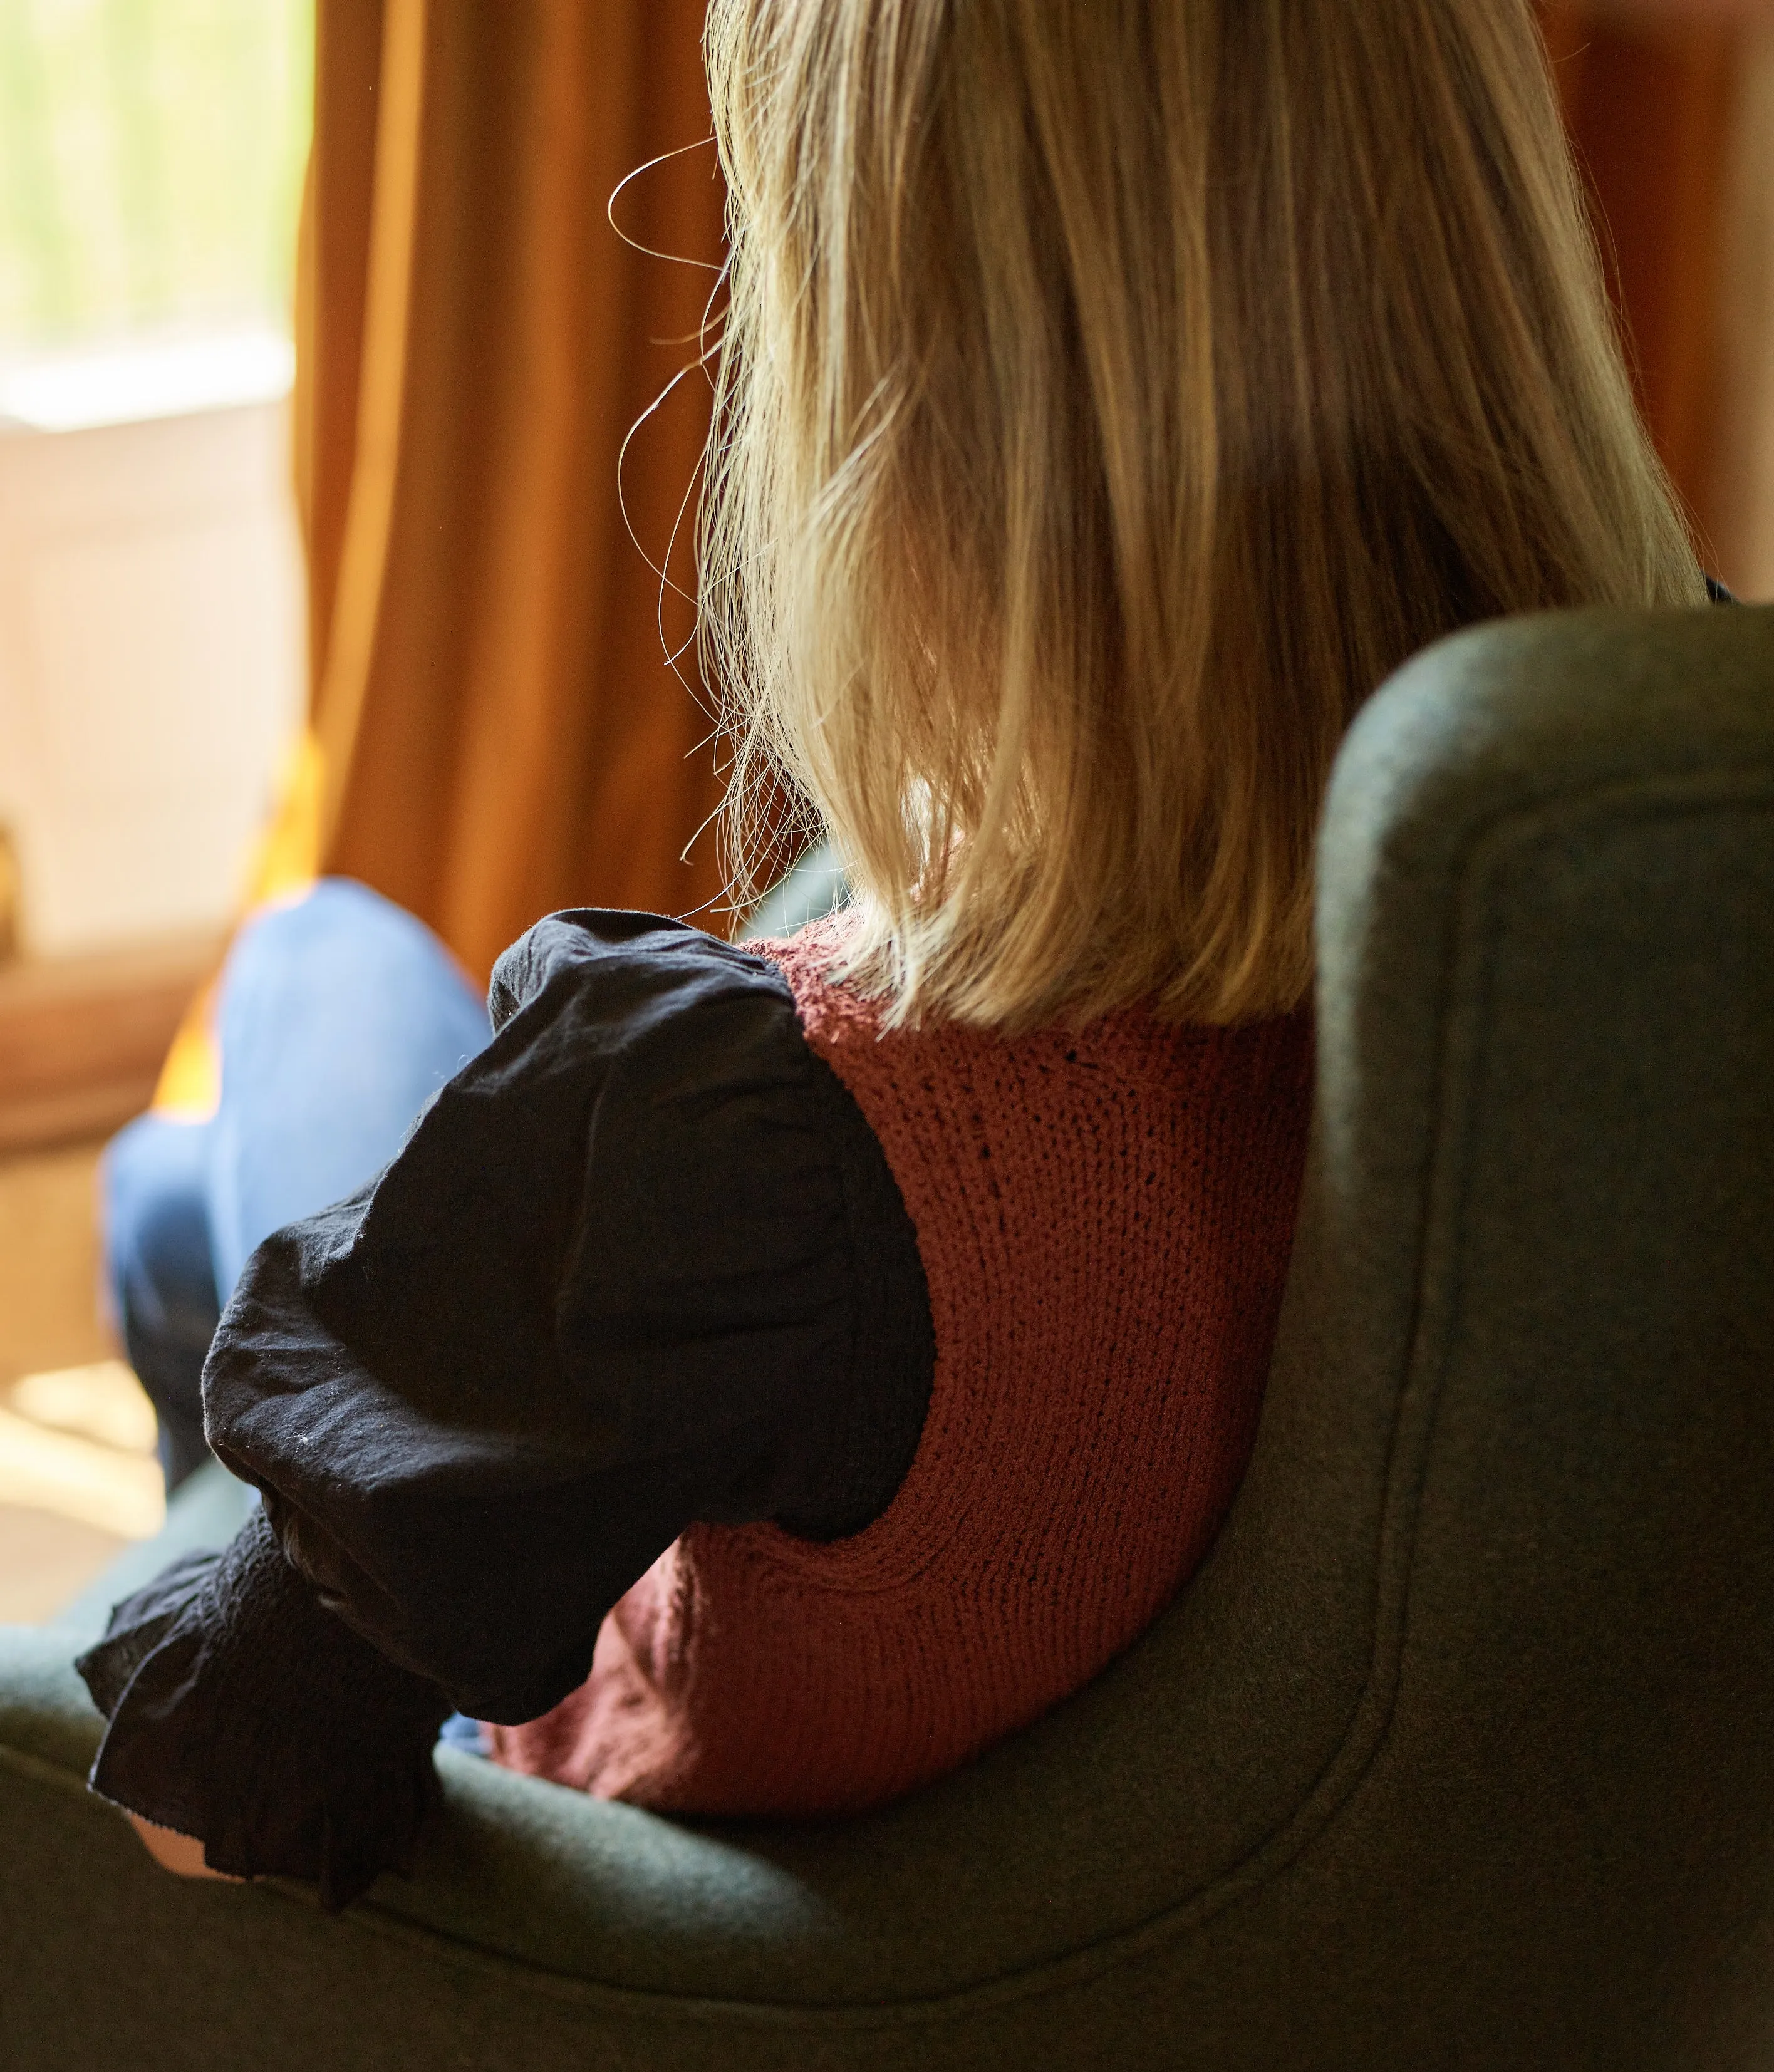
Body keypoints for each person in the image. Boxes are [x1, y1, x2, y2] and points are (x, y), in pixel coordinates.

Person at [80, 0, 1708, 1909]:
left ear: (892, 391)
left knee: (299, 984)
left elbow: (195, 1819)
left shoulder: (740, 1147)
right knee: (198, 1184)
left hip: (602, 1858)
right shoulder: (1628, 894)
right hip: (1322, 2057)